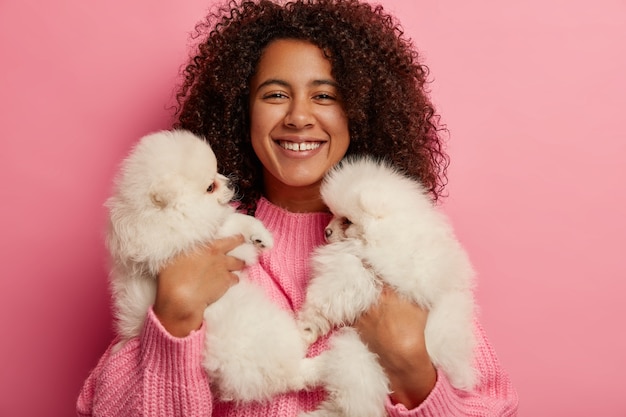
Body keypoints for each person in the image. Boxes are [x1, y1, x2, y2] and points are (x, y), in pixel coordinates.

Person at [77, 0, 519, 415]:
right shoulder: (187, 243)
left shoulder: (405, 242)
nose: (299, 117)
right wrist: (174, 318)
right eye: (274, 95)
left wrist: (411, 367)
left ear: (359, 113)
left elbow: (490, 405)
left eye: (324, 96)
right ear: (241, 112)